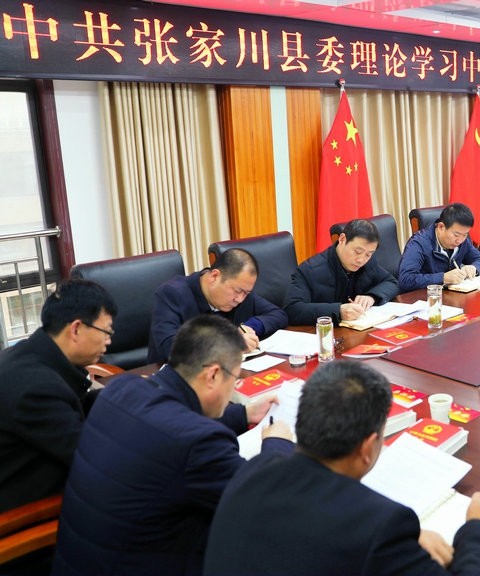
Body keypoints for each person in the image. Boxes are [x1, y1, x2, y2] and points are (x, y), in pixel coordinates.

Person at [204, 361, 480, 576]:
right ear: (367, 447)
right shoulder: (381, 525)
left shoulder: (252, 470)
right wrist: (478, 528)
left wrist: (406, 544)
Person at [53, 315, 294, 576]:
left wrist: (244, 413)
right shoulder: (199, 443)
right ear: (213, 374)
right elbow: (262, 499)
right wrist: (277, 445)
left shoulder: (121, 388)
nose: (233, 387)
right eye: (234, 378)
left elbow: (171, 422)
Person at [0, 279, 116, 515]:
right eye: (106, 332)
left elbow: (72, 404)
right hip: (23, 518)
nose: (109, 341)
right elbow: (94, 462)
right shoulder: (37, 390)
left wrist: (122, 394)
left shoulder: (24, 355)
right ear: (76, 329)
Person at [148, 248, 288, 364]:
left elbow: (278, 314)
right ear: (214, 277)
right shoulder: (172, 294)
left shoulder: (242, 294)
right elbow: (171, 347)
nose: (240, 299)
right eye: (237, 291)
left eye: (246, 293)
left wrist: (250, 327)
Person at [284, 219, 398, 325]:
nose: (361, 260)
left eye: (368, 254)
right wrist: (338, 311)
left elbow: (391, 282)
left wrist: (372, 296)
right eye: (357, 252)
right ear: (342, 239)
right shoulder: (310, 270)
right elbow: (292, 309)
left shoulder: (367, 263)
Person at [398, 203, 480, 292]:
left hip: (452, 295)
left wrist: (474, 268)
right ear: (441, 227)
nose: (459, 241)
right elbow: (406, 279)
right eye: (456, 235)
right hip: (426, 297)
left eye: (465, 235)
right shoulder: (418, 243)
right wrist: (443, 278)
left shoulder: (462, 241)